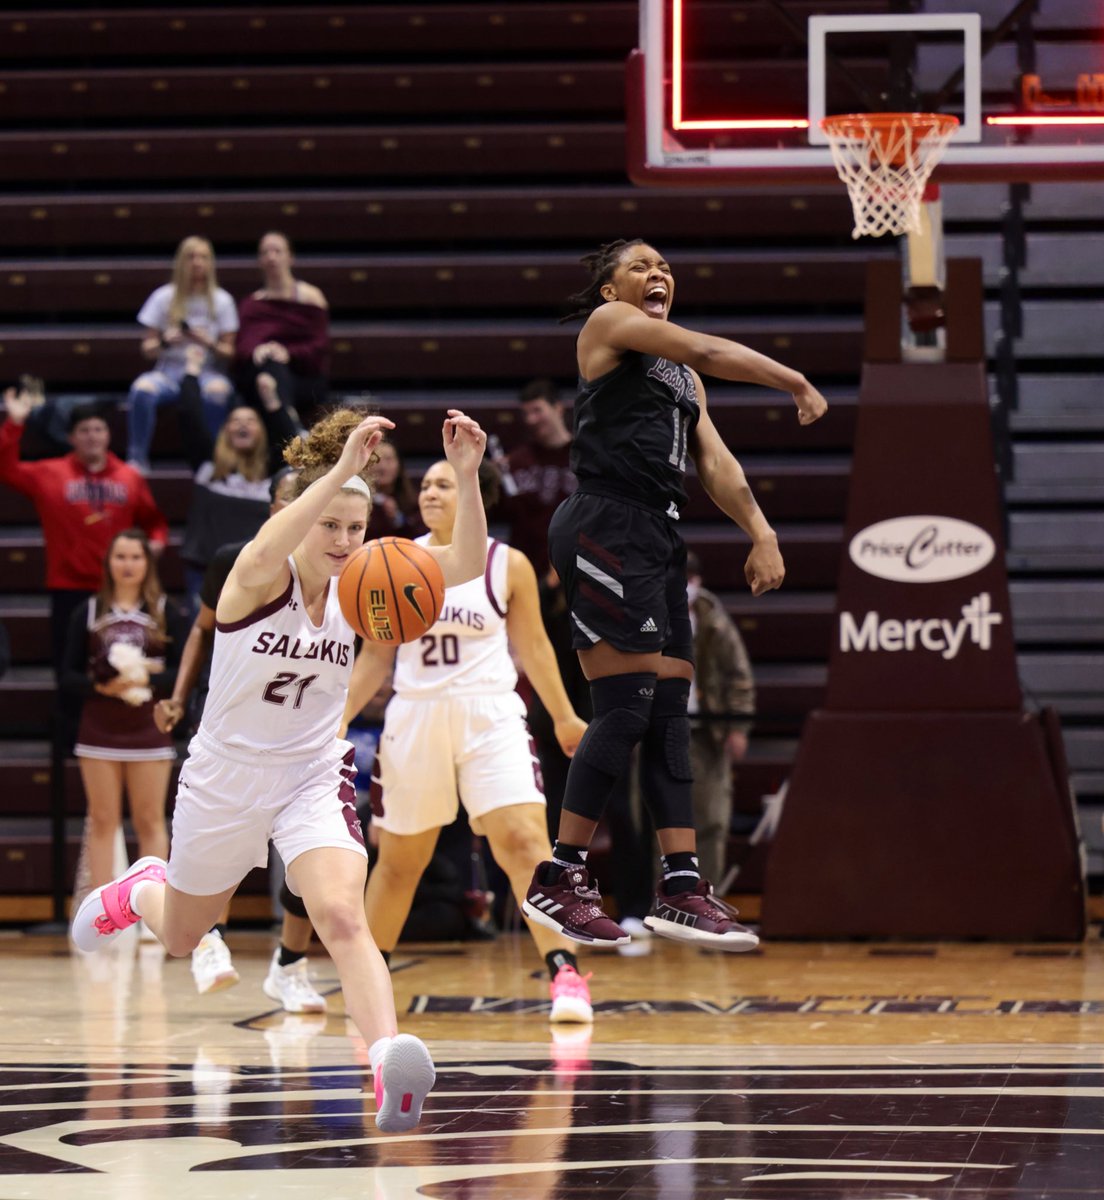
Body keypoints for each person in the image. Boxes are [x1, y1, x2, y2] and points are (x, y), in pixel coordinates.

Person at [73, 404, 489, 1134]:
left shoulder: (365, 588)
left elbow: (459, 566)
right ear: (300, 515)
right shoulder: (252, 576)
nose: (344, 540)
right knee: (180, 935)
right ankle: (143, 888)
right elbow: (273, 545)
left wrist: (467, 475)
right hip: (224, 779)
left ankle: (387, 1058)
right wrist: (339, 475)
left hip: (308, 775)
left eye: (356, 529)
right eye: (329, 524)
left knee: (339, 914)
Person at [521, 238, 827, 949]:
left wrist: (762, 531)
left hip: (657, 536)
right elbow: (710, 349)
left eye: (665, 269)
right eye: (641, 266)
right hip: (604, 521)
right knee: (624, 707)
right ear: (609, 291)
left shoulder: (682, 380)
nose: (658, 274)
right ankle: (560, 875)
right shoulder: (608, 330)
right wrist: (794, 381)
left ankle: (682, 885)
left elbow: (714, 461)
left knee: (666, 717)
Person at [343, 459, 594, 1023]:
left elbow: (533, 645)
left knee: (526, 845)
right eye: (425, 484)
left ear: (471, 495)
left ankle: (567, 975)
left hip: (491, 713)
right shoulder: (397, 559)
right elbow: (375, 658)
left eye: (443, 484)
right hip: (416, 715)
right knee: (400, 861)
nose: (429, 491)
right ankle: (369, 988)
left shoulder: (508, 564)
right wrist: (338, 719)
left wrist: (563, 716)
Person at [156, 466, 325, 1002]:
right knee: (221, 852)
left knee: (309, 861)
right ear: (273, 506)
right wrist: (179, 698)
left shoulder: (340, 568)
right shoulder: (240, 560)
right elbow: (201, 630)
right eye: (287, 499)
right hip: (234, 727)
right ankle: (209, 942)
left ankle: (291, 964)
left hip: (302, 734)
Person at [0, 386, 168, 684]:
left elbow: (153, 521)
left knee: (120, 667)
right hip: (68, 588)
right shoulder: (49, 473)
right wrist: (14, 423)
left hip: (120, 590)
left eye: (98, 429)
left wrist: (156, 542)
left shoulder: (129, 477)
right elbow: (5, 468)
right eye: (84, 430)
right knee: (69, 671)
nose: (92, 436)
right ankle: (68, 731)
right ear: (71, 437)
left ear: (108, 435)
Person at [61, 530, 187, 891]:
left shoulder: (166, 612)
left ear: (148, 563)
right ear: (108, 563)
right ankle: (104, 913)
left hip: (149, 727)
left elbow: (185, 672)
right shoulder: (87, 611)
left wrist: (148, 675)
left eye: (136, 557)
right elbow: (67, 675)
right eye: (120, 557)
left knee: (150, 821)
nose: (128, 565)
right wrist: (102, 685)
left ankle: (154, 907)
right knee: (103, 820)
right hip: (99, 728)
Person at [177, 343, 300, 613]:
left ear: (262, 432)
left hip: (258, 572)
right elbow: (191, 417)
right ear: (225, 430)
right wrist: (191, 372)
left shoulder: (273, 474)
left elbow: (293, 444)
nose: (243, 424)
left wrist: (272, 402)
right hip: (207, 570)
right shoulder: (208, 464)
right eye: (235, 420)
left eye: (251, 421)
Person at [126, 235, 238, 470]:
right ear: (180, 262)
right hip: (169, 371)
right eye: (191, 257)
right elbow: (147, 350)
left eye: (203, 257)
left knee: (218, 392)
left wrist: (209, 342)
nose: (197, 262)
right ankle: (138, 458)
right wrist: (166, 341)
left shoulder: (222, 300)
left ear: (210, 263)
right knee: (141, 390)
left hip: (206, 370)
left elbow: (229, 352)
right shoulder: (163, 296)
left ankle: (214, 459)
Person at [685, 550, 756, 888]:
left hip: (707, 730)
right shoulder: (647, 616)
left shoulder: (713, 620)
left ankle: (706, 894)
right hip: (659, 731)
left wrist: (738, 727)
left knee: (712, 819)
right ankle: (662, 902)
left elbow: (739, 677)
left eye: (689, 580)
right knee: (658, 822)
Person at [234, 231, 330, 423]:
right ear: (260, 260)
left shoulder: (312, 297)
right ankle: (289, 422)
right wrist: (258, 350)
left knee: (273, 373)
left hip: (304, 376)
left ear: (290, 257)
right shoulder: (251, 304)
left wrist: (288, 352)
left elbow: (319, 345)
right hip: (262, 374)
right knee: (271, 366)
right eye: (265, 252)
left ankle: (283, 416)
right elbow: (243, 344)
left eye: (277, 251)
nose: (271, 257)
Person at [493, 378, 576, 577]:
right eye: (526, 413)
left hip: (575, 566)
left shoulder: (584, 457)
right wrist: (492, 483)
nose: (531, 419)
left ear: (558, 408)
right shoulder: (517, 460)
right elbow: (501, 513)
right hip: (526, 568)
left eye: (537, 410)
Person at [365, 437, 424, 541]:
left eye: (388, 459)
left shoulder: (414, 500)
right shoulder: (359, 500)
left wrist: (398, 518)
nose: (382, 467)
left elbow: (419, 536)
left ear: (399, 464)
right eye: (376, 460)